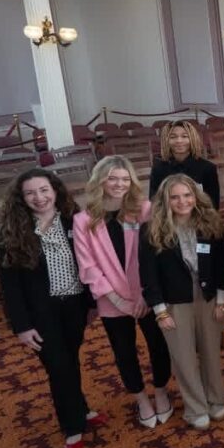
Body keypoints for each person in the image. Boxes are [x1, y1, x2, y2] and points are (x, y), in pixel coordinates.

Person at [0, 169, 107, 448]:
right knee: (57, 366)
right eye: (31, 193)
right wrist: (21, 325)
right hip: (39, 313)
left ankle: (81, 409)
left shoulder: (74, 220)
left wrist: (92, 303)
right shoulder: (13, 229)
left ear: (55, 190)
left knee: (69, 361)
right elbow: (10, 285)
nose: (39, 197)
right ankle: (72, 427)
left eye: (44, 190)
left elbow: (91, 260)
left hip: (74, 306)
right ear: (21, 198)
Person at [74, 156, 172, 429]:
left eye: (125, 179)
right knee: (124, 351)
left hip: (146, 295)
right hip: (111, 299)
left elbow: (156, 255)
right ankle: (141, 398)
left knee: (159, 345)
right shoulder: (84, 220)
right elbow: (88, 266)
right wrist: (116, 299)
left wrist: (144, 294)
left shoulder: (144, 210)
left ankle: (162, 391)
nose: (119, 184)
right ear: (100, 181)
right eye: (113, 178)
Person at [140, 174, 224, 431]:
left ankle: (215, 399)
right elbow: (148, 275)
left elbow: (222, 266)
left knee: (211, 352)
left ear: (196, 196)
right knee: (184, 357)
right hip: (173, 303)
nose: (182, 201)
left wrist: (221, 302)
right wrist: (159, 311)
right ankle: (196, 407)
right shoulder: (152, 230)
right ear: (165, 200)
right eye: (175, 197)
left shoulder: (211, 223)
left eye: (187, 195)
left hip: (209, 298)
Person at [149, 120, 221, 209]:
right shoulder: (158, 169)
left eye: (184, 136)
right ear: (166, 140)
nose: (179, 141)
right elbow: (155, 202)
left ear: (192, 139)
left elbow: (213, 204)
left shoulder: (208, 168)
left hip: (200, 219)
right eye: (173, 137)